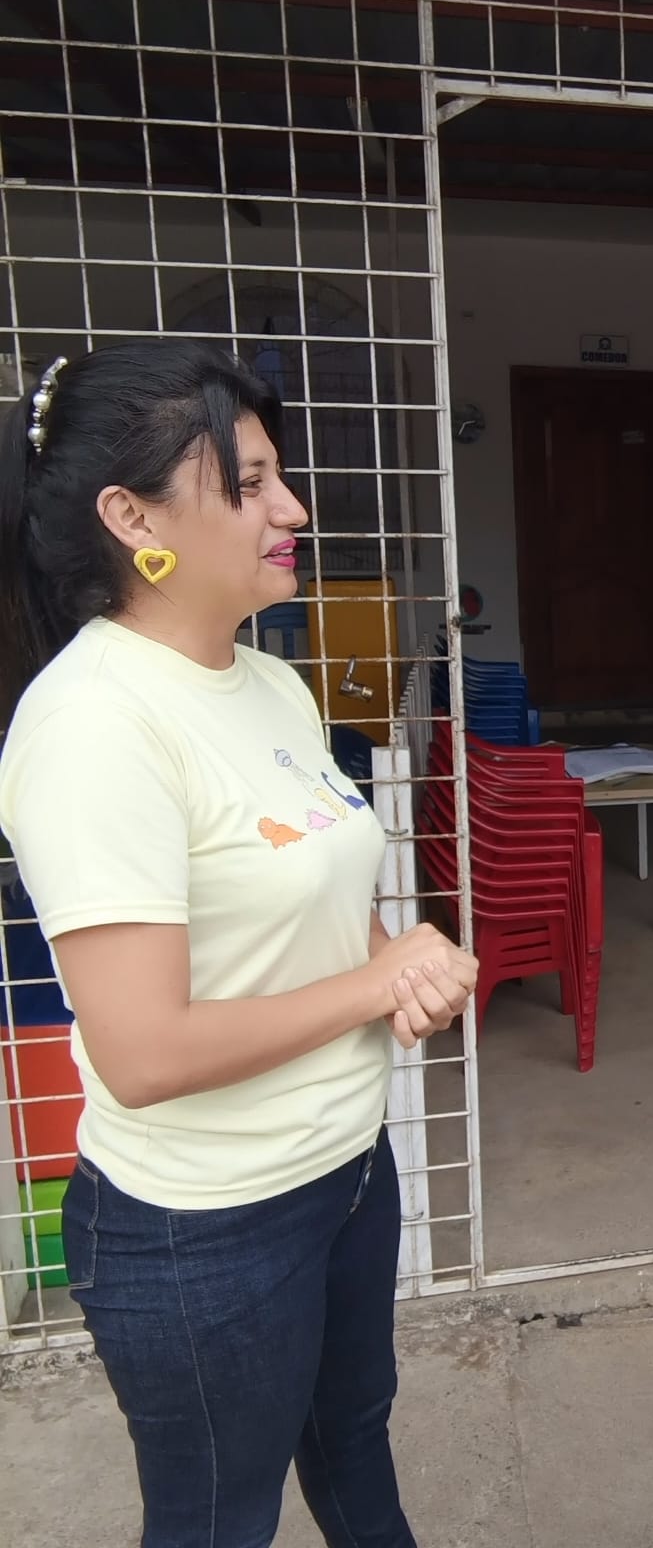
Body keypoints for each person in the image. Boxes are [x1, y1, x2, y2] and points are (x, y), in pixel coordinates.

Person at [0, 340, 477, 1547]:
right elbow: (143, 1052)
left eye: (281, 477)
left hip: (347, 1169)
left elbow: (324, 897)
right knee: (219, 1518)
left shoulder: (271, 686)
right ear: (132, 518)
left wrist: (403, 965)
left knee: (355, 1444)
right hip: (204, 1228)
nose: (293, 509)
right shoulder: (92, 727)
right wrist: (370, 981)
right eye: (250, 482)